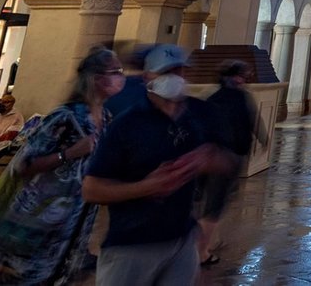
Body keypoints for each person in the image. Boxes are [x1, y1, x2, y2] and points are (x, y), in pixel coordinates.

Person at [82, 43, 239, 285]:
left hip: (182, 239)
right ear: (147, 77)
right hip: (132, 244)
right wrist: (147, 187)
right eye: (165, 72)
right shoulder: (127, 124)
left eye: (179, 71)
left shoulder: (201, 114)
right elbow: (91, 189)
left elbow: (229, 161)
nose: (174, 78)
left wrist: (209, 158)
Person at [0, 46, 123, 286]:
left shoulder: (106, 119)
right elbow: (23, 164)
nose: (121, 77)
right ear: (96, 79)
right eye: (115, 71)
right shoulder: (64, 117)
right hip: (35, 223)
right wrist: (69, 154)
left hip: (72, 227)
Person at [197, 61, 262, 267]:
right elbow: (252, 121)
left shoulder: (212, 96)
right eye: (244, 75)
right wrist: (262, 138)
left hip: (209, 153)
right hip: (226, 155)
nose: (245, 80)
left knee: (208, 199)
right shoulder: (240, 97)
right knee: (216, 202)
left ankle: (208, 240)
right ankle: (202, 251)